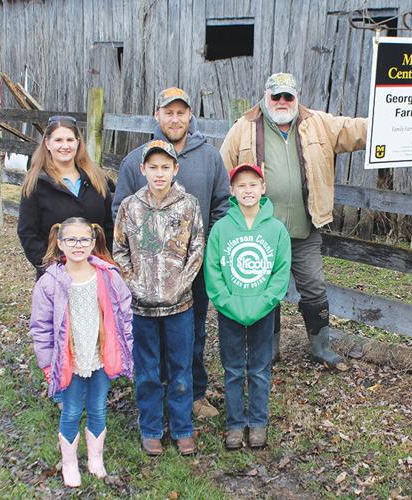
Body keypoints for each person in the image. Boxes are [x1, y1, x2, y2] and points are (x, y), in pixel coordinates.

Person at [220, 73, 367, 372]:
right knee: (266, 290)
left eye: (288, 96)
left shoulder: (317, 123)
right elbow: (222, 172)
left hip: (305, 228)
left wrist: (394, 121)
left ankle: (321, 347)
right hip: (260, 232)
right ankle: (269, 350)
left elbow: (354, 130)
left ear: (297, 96)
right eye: (277, 96)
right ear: (266, 96)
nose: (282, 102)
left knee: (314, 287)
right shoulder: (244, 128)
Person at [113, 87, 229, 419]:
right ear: (157, 115)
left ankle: (193, 393)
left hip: (192, 266)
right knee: (150, 334)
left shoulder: (209, 157)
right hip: (148, 270)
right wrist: (134, 266)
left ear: (190, 115)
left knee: (193, 330)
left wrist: (207, 249)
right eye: (168, 112)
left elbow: (221, 204)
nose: (174, 119)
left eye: (181, 112)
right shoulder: (137, 160)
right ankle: (157, 391)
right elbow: (120, 210)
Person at [113, 140, 204, 456]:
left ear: (175, 169)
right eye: (153, 167)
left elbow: (196, 249)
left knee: (181, 367)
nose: (159, 173)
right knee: (148, 368)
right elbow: (120, 250)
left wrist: (182, 283)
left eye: (166, 167)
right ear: (143, 170)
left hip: (179, 304)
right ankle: (151, 427)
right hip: (142, 306)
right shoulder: (130, 206)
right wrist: (133, 283)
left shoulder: (188, 205)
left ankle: (181, 427)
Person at [29, 217, 134, 488]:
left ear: (94, 241)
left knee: (99, 407)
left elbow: (124, 316)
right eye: (71, 240)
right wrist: (47, 364)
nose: (78, 245)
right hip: (69, 360)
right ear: (60, 243)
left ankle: (95, 458)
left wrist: (126, 350)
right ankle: (69, 462)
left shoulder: (108, 276)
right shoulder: (50, 282)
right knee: (72, 409)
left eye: (84, 239)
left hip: (99, 355)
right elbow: (40, 328)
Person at [204, 163, 291, 450]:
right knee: (232, 369)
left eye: (253, 184)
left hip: (263, 311)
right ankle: (234, 424)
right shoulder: (221, 228)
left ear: (263, 188)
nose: (248, 190)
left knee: (259, 369)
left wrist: (265, 302)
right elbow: (213, 270)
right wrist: (225, 302)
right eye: (241, 185)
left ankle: (257, 423)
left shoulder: (276, 229)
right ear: (232, 191)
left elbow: (280, 272)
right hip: (229, 312)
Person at [18, 115, 114, 279]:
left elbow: (109, 226)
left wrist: (107, 261)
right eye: (58, 140)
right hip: (57, 274)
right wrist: (50, 269)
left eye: (70, 140)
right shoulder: (37, 184)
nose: (65, 146)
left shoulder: (98, 179)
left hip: (97, 271)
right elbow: (28, 233)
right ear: (47, 143)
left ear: (78, 142)